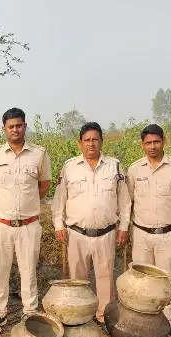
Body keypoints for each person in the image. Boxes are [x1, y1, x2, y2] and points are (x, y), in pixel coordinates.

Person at [52, 122, 131, 325]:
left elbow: (124, 200)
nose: (91, 144)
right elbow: (59, 199)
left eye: (95, 139)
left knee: (105, 279)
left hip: (106, 233)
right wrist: (58, 225)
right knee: (77, 280)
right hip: (76, 234)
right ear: (80, 143)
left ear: (102, 141)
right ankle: (80, 316)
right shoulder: (69, 167)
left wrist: (123, 227)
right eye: (86, 140)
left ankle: (104, 318)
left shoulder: (114, 165)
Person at [0, 108, 51, 324]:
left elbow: (44, 185)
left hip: (29, 224)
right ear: (3, 129)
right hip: (1, 224)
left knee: (29, 270)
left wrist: (26, 205)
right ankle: (0, 313)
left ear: (25, 126)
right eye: (11, 126)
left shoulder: (39, 154)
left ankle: (30, 312)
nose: (15, 130)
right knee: (0, 270)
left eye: (19, 125)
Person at [127, 124, 171, 337]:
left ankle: (170, 323)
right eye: (148, 143)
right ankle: (143, 320)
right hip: (141, 234)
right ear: (142, 144)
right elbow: (128, 202)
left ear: (164, 141)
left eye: (156, 142)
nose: (152, 146)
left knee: (166, 279)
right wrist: (124, 230)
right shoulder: (135, 169)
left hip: (168, 234)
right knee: (141, 280)